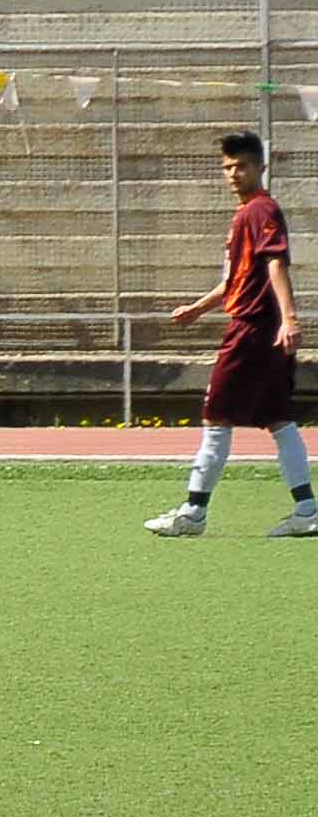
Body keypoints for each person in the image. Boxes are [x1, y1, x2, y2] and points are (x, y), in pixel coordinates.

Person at [147, 129, 314, 538]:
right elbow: (236, 280)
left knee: (216, 416)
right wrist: (197, 309)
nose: (233, 174)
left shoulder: (261, 211)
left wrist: (290, 318)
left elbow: (276, 264)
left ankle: (193, 512)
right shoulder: (247, 215)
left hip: (252, 330)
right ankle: (308, 509)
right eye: (228, 167)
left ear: (260, 166)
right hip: (264, 332)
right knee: (278, 419)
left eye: (241, 165)